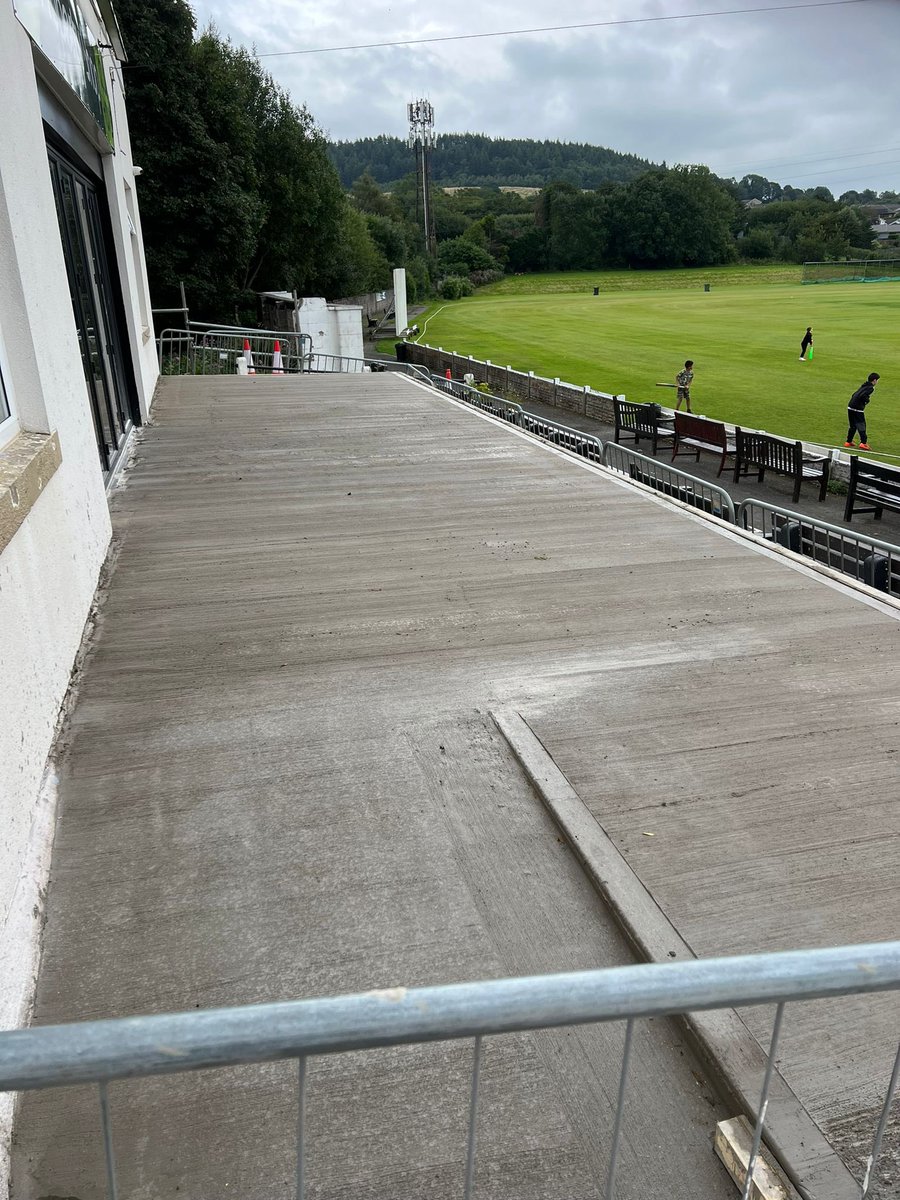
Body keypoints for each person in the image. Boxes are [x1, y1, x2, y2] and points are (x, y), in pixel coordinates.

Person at [844, 372, 880, 450]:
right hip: (857, 409)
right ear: (874, 380)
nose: (877, 382)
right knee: (861, 425)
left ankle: (848, 441)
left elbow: (854, 394)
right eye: (877, 380)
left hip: (850, 406)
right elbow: (863, 396)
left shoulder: (864, 385)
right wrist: (867, 401)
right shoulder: (871, 388)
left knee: (853, 426)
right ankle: (863, 443)